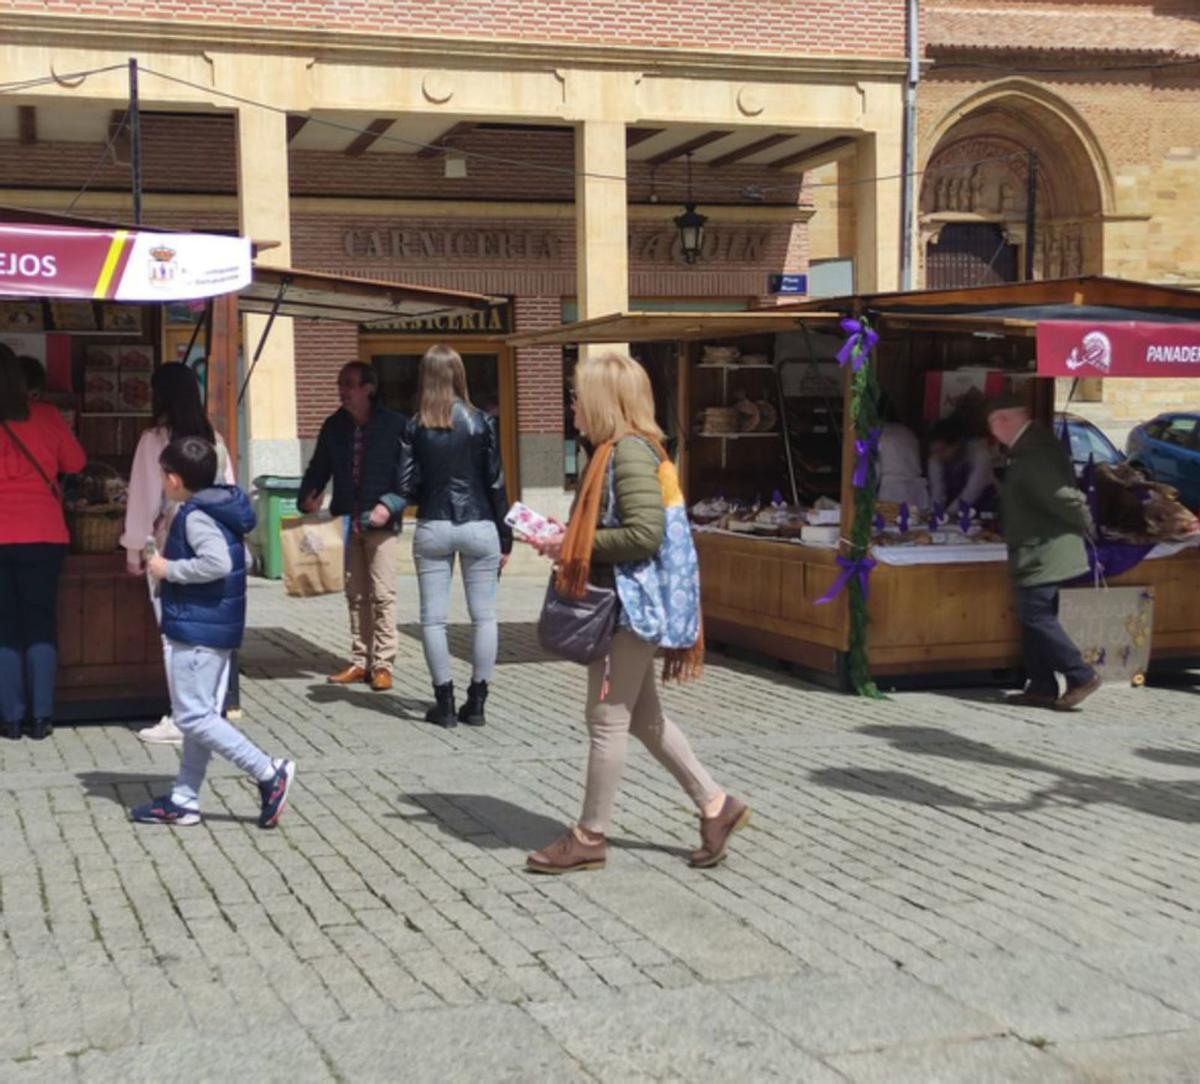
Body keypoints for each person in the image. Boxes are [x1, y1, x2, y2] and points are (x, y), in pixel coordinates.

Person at [525, 351, 749, 874]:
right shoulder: (620, 451)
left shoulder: (625, 453)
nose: (572, 405)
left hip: (626, 611)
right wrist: (568, 541)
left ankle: (589, 836)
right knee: (645, 720)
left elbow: (644, 535)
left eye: (578, 395)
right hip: (628, 609)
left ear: (604, 400)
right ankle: (717, 806)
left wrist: (574, 545)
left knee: (605, 721)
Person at [130, 436, 295, 827]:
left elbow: (218, 563)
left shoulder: (197, 514)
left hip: (198, 627)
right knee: (200, 714)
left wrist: (168, 570)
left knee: (192, 718)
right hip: (212, 625)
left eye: (161, 474)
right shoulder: (217, 505)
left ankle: (269, 772)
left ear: (173, 479)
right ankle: (184, 800)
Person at [395, 345, 512, 728]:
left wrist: (428, 488)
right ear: (459, 375)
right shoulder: (481, 422)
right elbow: (496, 482)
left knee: (433, 620)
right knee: (484, 617)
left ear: (426, 377)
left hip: (433, 523)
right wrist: (506, 536)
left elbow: (405, 484)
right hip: (480, 523)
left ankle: (444, 704)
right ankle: (477, 702)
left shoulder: (415, 425)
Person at [122, 363, 236, 746]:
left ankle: (183, 716)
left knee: (174, 636)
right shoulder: (214, 439)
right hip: (213, 544)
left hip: (168, 545)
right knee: (208, 634)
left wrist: (134, 549)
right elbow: (230, 491)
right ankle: (208, 713)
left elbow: (142, 499)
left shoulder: (155, 440)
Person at [987, 393, 1101, 710]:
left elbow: (1062, 496)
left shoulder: (1033, 454)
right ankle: (1041, 684)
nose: (992, 433)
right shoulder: (1029, 447)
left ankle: (1081, 675)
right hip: (1037, 547)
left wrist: (1086, 521)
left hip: (1046, 548)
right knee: (1032, 616)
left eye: (992, 426)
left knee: (1035, 614)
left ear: (1002, 421)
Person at [299, 361, 407, 691]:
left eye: (349, 384)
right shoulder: (334, 426)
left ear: (369, 388)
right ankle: (361, 661)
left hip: (381, 525)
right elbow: (319, 467)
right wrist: (306, 496)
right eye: (340, 384)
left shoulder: (395, 426)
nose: (342, 391)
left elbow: (409, 477)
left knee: (382, 595)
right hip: (347, 520)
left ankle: (383, 664)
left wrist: (388, 505)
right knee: (356, 595)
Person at [0, 345, 87, 740]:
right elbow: (77, 464)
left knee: (5, 629)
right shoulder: (48, 416)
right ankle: (42, 718)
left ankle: (11, 719)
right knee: (39, 625)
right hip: (44, 535)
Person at [927, 415, 997, 515]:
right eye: (935, 451)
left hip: (984, 507)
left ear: (957, 444)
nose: (939, 456)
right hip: (956, 509)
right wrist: (935, 514)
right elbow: (937, 492)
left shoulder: (980, 454)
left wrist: (948, 514)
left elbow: (972, 491)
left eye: (943, 450)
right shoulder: (935, 458)